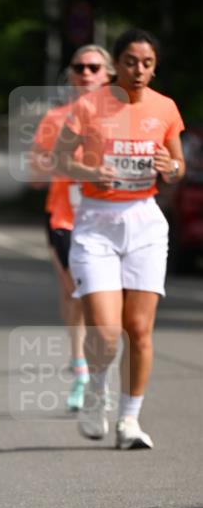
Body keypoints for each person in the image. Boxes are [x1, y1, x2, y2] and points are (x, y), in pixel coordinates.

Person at [55, 28, 185, 449]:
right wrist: (91, 172)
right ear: (116, 65)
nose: (139, 70)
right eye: (131, 62)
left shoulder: (164, 107)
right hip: (96, 222)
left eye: (147, 63)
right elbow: (59, 159)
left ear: (155, 67)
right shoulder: (90, 105)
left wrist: (170, 166)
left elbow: (178, 166)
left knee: (139, 330)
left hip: (145, 222)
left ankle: (129, 420)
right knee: (108, 332)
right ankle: (96, 389)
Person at [30, 45, 114, 411]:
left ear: (108, 74)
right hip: (66, 218)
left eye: (94, 67)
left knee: (105, 299)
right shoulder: (56, 118)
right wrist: (64, 164)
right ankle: (83, 372)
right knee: (77, 293)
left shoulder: (122, 117)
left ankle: (100, 366)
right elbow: (36, 175)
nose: (86, 73)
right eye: (79, 67)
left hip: (111, 217)